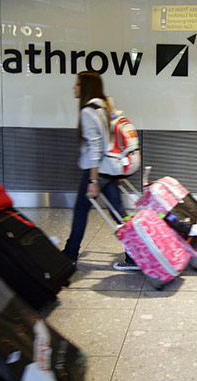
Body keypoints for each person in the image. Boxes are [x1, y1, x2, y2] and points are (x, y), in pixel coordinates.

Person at [62, 71, 138, 271]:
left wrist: (93, 180)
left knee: (80, 211)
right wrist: (117, 173)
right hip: (110, 168)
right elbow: (113, 140)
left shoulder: (88, 111)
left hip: (97, 171)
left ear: (85, 87)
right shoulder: (106, 105)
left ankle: (70, 255)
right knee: (119, 213)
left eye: (77, 84)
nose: (74, 87)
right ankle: (136, 254)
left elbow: (95, 147)